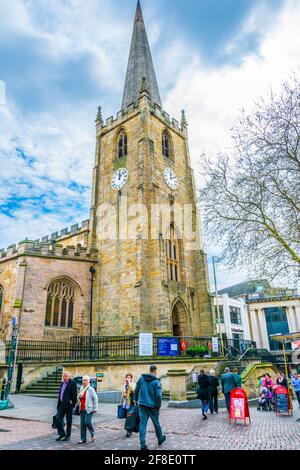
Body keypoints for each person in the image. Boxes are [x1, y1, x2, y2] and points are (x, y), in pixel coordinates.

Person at [134, 365, 166, 451]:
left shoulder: (141, 378)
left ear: (149, 370)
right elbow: (159, 395)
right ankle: (160, 439)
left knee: (143, 424)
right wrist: (158, 406)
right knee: (156, 423)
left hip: (142, 405)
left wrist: (135, 400)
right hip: (152, 406)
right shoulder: (156, 382)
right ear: (155, 371)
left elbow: (136, 390)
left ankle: (143, 445)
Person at [56, 371, 78, 442]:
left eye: (65, 376)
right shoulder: (62, 383)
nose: (64, 377)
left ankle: (68, 436)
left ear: (69, 376)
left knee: (69, 421)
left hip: (69, 406)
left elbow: (75, 394)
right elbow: (61, 393)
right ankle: (62, 434)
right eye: (63, 376)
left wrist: (72, 402)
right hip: (61, 404)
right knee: (58, 418)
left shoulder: (72, 383)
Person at [78, 375, 98, 444]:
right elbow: (79, 398)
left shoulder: (90, 389)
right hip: (82, 408)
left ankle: (92, 433)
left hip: (89, 409)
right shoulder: (81, 388)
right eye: (83, 380)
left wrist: (95, 408)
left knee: (87, 422)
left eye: (86, 380)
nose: (84, 381)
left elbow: (95, 398)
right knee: (82, 424)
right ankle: (83, 439)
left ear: (88, 381)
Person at [122, 373, 136, 438]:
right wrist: (124, 394)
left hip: (132, 403)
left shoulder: (133, 384)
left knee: (129, 416)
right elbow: (123, 393)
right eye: (127, 377)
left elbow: (134, 390)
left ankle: (129, 431)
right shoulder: (125, 385)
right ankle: (129, 430)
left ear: (131, 378)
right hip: (126, 403)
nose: (128, 378)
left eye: (129, 377)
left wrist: (129, 383)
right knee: (128, 417)